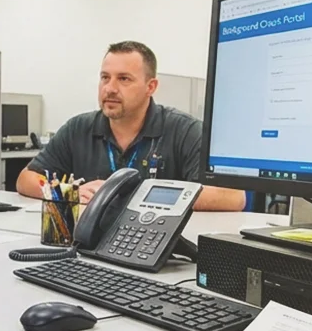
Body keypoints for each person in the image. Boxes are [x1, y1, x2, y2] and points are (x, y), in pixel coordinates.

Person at [16, 41, 245, 211]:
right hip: (87, 241)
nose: (110, 88)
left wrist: (130, 194)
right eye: (105, 77)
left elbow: (232, 196)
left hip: (156, 245)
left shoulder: (184, 130)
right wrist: (66, 192)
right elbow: (26, 179)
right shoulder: (79, 128)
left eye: (124, 79)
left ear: (151, 86)